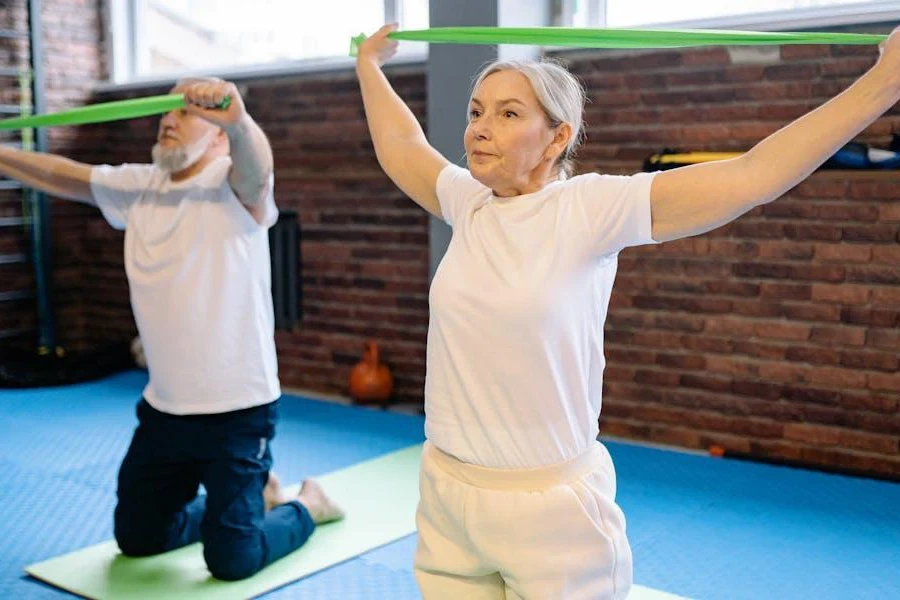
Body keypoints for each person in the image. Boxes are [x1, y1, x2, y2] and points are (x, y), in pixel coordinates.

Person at [355, 22, 900, 599]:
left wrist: (884, 84)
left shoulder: (589, 209)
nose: (480, 129)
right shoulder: (469, 203)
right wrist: (370, 65)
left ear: (556, 137)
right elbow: (402, 148)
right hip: (447, 495)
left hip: (549, 514)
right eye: (476, 111)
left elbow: (752, 177)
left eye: (509, 114)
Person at [0, 77, 343, 581]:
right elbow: (61, 173)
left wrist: (240, 121)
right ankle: (255, 499)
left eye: (185, 114)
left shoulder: (233, 185)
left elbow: (259, 170)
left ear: (219, 138)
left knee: (232, 562)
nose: (168, 119)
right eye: (166, 112)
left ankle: (307, 505)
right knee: (139, 539)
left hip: (237, 415)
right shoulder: (139, 187)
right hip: (165, 412)